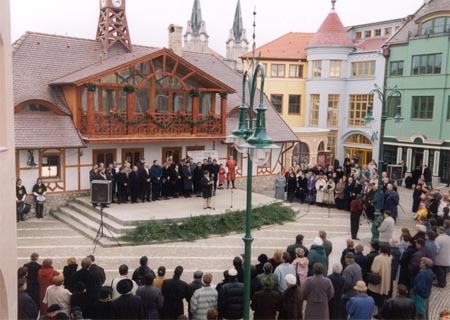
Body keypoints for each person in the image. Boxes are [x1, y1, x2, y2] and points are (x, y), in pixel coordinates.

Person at [368, 242, 392, 317]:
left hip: (377, 282)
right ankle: (380, 314)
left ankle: (374, 313)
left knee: (374, 298)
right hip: (386, 280)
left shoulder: (378, 258)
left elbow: (375, 270)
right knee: (382, 299)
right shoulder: (389, 257)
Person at [342, 252, 363, 316]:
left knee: (344, 312)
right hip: (357, 292)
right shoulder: (358, 266)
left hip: (349, 295)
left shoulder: (348, 270)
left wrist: (343, 292)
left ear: (346, 259)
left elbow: (346, 283)